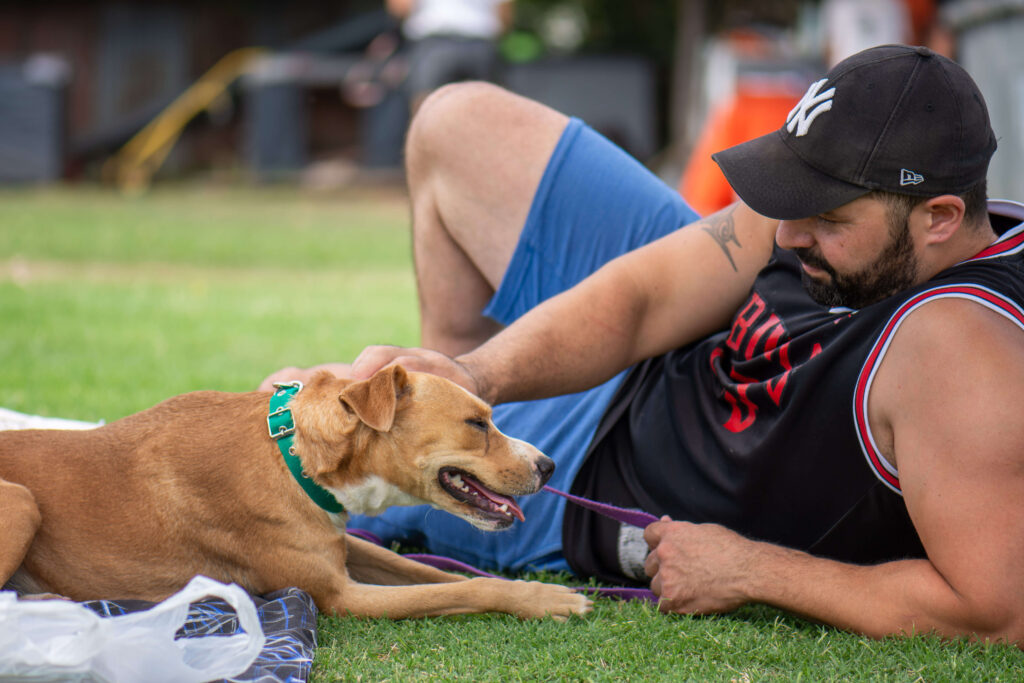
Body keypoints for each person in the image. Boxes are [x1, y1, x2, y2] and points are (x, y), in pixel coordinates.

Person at [261, 45, 1024, 646]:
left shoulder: (963, 351)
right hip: (667, 361)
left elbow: (997, 610)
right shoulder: (852, 216)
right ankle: (462, 430)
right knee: (455, 123)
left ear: (940, 217)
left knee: (285, 445)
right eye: (792, 199)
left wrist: (753, 569)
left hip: (612, 471)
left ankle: (462, 471)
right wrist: (471, 375)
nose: (787, 233)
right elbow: (645, 298)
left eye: (826, 218)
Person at [386, 0, 513, 114]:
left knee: (425, 107)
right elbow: (505, 13)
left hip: (434, 44)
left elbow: (400, 8)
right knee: (487, 109)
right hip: (481, 44)